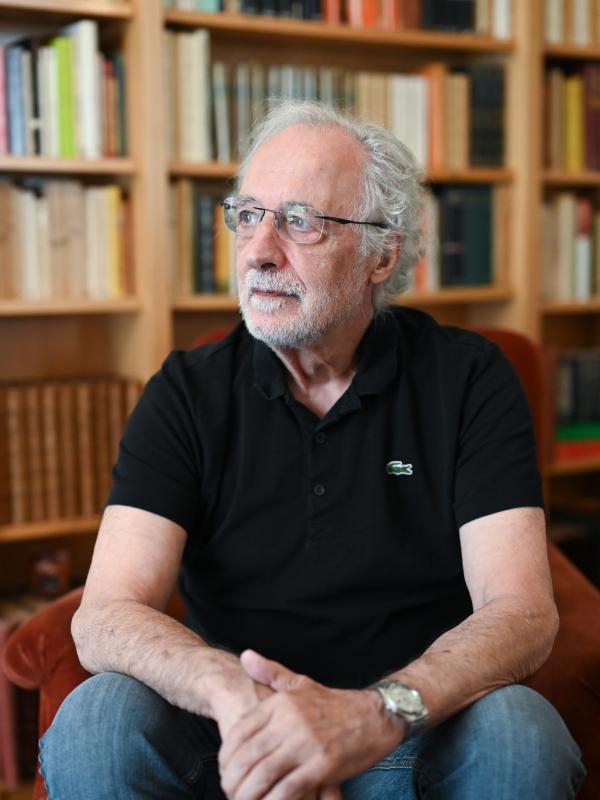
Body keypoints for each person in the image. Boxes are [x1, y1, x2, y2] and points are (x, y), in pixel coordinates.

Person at [40, 101, 586, 800]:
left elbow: (521, 612)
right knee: (98, 718)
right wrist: (233, 695)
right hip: (233, 740)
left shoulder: (469, 379)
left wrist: (376, 713)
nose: (260, 251)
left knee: (520, 732)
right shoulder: (185, 391)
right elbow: (107, 613)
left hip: (407, 733)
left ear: (380, 254)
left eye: (300, 221)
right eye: (248, 215)